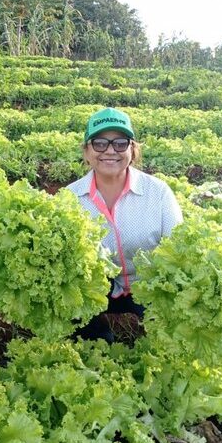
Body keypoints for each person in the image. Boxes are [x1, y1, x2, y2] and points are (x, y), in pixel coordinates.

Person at [66, 107, 183, 343]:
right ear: (87, 151)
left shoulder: (158, 192)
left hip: (148, 288)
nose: (110, 151)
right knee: (70, 307)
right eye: (100, 143)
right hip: (96, 290)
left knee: (172, 329)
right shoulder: (69, 198)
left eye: (120, 143)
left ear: (133, 150)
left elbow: (180, 249)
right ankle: (97, 337)